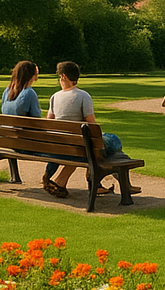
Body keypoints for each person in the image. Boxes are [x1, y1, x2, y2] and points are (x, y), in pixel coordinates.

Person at [43, 61, 125, 199]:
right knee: (114, 141)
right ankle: (100, 182)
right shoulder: (83, 96)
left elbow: (49, 123)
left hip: (62, 144)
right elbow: (91, 125)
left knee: (87, 148)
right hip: (80, 145)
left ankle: (71, 181)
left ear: (63, 77)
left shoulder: (54, 97)